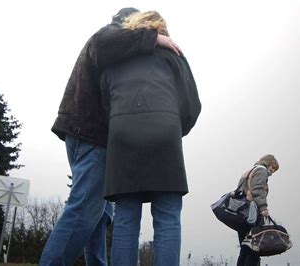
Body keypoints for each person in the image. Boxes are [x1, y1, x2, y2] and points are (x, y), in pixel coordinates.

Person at [40, 7, 183, 266]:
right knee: (84, 210)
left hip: (82, 133)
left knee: (100, 212)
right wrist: (153, 38)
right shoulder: (110, 34)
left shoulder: (118, 49)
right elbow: (102, 44)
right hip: (94, 137)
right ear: (129, 22)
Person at [99, 10, 201, 266]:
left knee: (125, 218)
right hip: (165, 134)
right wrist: (175, 128)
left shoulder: (113, 60)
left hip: (122, 136)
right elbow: (192, 104)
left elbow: (105, 102)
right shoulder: (173, 54)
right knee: (167, 218)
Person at [236, 154, 279, 266]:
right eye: (273, 168)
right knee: (253, 249)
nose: (272, 172)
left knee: (245, 248)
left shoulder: (250, 171)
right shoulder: (261, 171)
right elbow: (258, 190)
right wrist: (263, 208)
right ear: (269, 163)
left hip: (242, 215)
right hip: (251, 215)